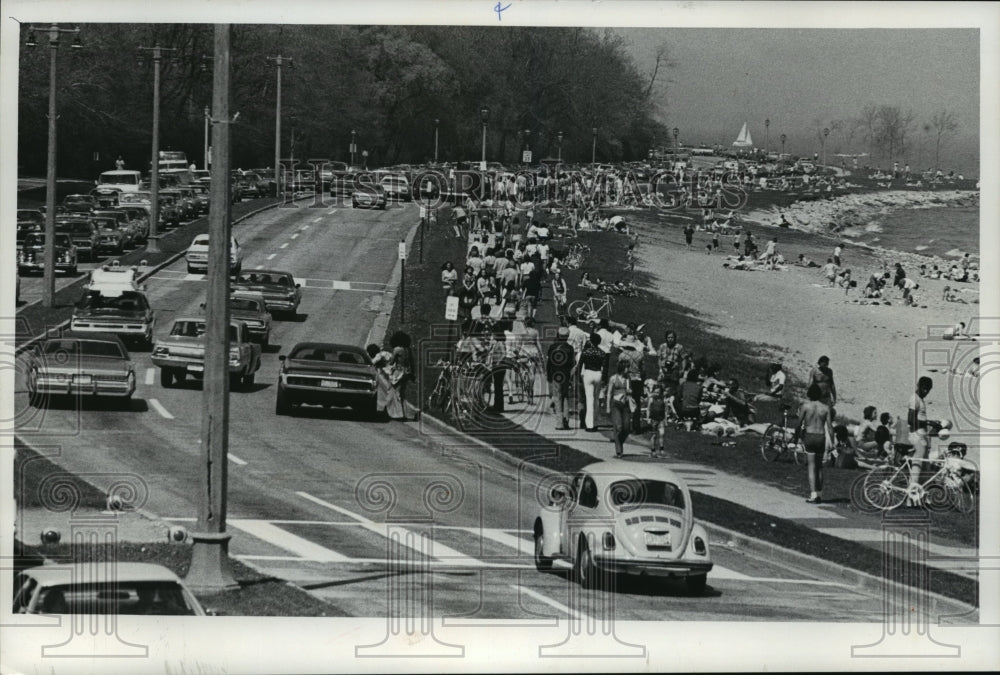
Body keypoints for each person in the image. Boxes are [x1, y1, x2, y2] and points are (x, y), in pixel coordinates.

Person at [797, 383, 834, 504]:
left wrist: (796, 436)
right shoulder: (826, 408)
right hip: (821, 436)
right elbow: (830, 427)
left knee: (811, 466)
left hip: (809, 435)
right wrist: (832, 442)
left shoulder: (805, 406)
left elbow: (799, 424)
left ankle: (813, 495)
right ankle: (819, 494)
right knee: (819, 467)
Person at [906, 376, 933, 504]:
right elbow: (911, 420)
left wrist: (931, 423)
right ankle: (911, 495)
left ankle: (921, 494)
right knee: (918, 464)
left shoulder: (921, 399)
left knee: (926, 466)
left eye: (928, 389)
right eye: (924, 388)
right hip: (916, 435)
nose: (926, 391)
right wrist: (925, 422)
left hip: (922, 435)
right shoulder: (915, 399)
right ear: (918, 386)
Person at [547, 326, 576, 430]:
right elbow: (572, 364)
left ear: (558, 335)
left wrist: (549, 376)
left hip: (556, 375)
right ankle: (566, 420)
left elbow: (549, 363)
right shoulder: (570, 348)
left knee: (557, 398)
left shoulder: (552, 347)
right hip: (566, 375)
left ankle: (559, 423)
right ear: (568, 336)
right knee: (565, 397)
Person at [578, 332, 605, 432]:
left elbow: (580, 365)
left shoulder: (586, 352)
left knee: (589, 400)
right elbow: (605, 368)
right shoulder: (602, 352)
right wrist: (604, 380)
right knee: (596, 400)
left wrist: (579, 378)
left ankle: (590, 424)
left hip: (588, 373)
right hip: (598, 373)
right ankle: (596, 422)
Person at [605, 360, 633, 457]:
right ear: (622, 368)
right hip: (616, 404)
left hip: (625, 404)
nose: (628, 369)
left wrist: (629, 391)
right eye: (627, 367)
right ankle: (619, 449)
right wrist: (608, 406)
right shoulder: (613, 378)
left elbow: (629, 391)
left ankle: (619, 441)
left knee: (627, 427)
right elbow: (609, 393)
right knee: (619, 426)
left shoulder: (627, 378)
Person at [647, 383, 667, 456]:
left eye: (658, 392)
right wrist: (648, 418)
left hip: (661, 418)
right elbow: (648, 409)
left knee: (662, 434)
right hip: (653, 418)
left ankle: (661, 448)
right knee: (654, 435)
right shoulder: (651, 399)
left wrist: (666, 419)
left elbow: (665, 410)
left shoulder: (663, 399)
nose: (656, 393)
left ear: (661, 392)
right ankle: (653, 449)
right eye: (655, 392)